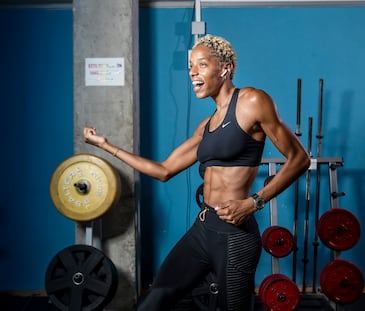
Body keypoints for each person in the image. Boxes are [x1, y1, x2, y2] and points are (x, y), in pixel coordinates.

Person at [83, 34, 310, 311]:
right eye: (190, 65)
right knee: (154, 302)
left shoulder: (252, 101)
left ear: (225, 68)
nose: (192, 72)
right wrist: (107, 146)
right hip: (204, 228)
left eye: (201, 65)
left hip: (235, 236)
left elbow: (299, 159)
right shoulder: (206, 126)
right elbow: (164, 170)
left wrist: (254, 202)